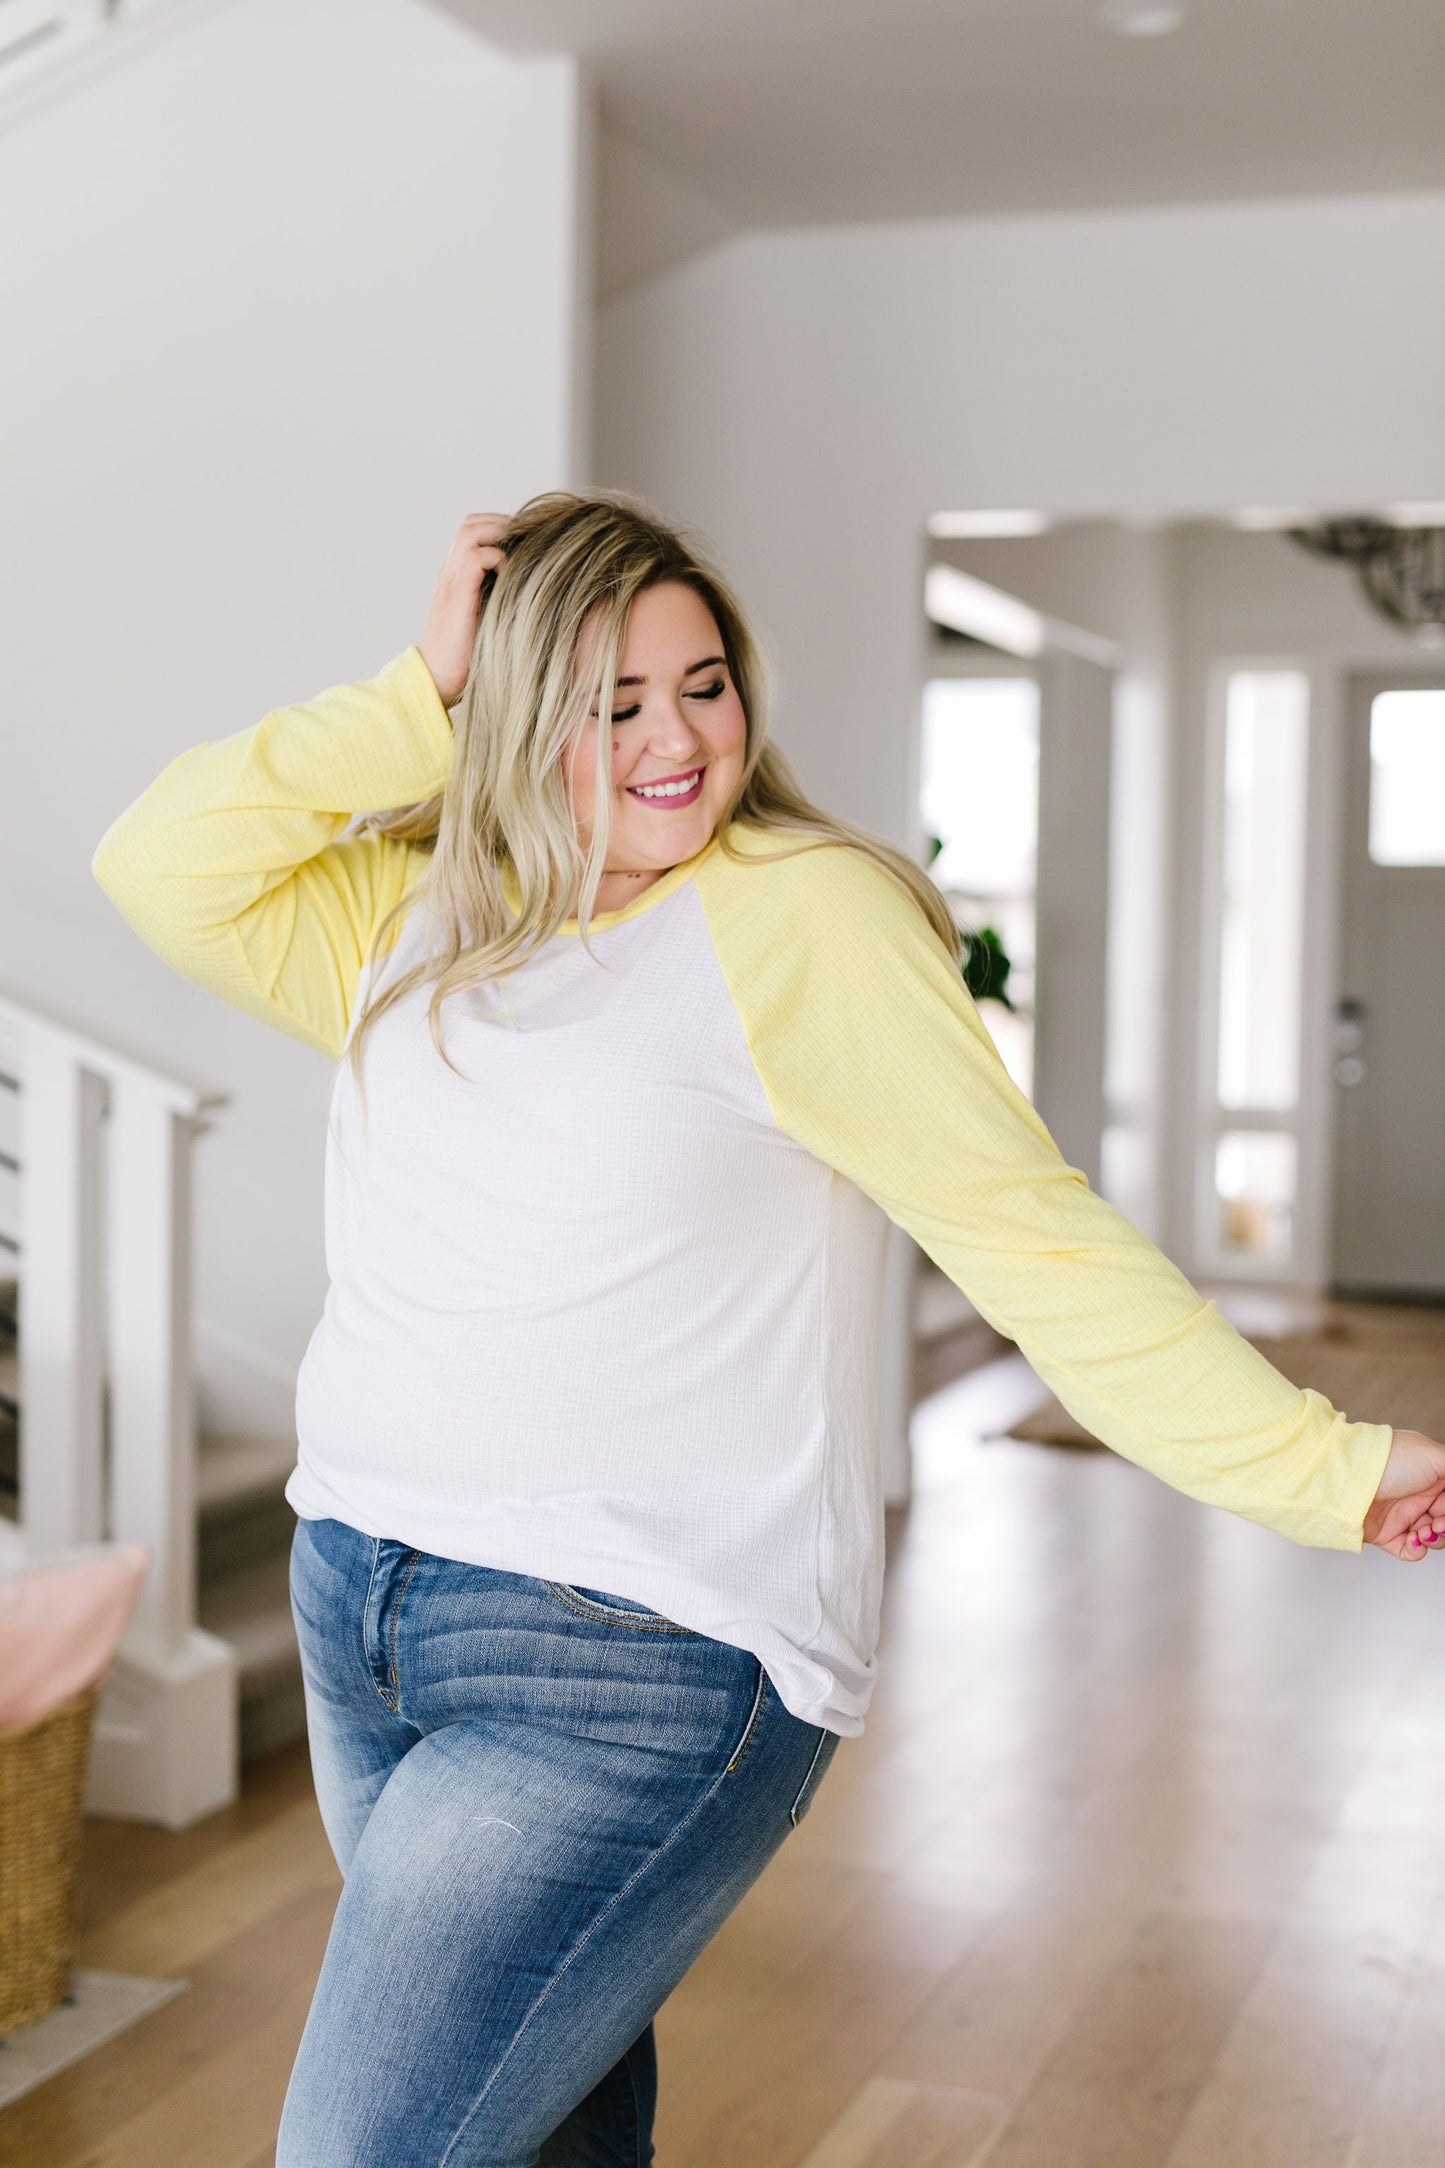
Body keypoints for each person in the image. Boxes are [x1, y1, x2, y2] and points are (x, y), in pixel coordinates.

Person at [92, 493, 1445, 2168]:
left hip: (629, 1656)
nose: (679, 739)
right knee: (531, 2124)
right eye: (613, 701)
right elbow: (156, 857)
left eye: (703, 682)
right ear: (509, 714)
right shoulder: (419, 915)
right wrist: (413, 687)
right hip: (364, 1597)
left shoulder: (800, 915)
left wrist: (1321, 1468)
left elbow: (1032, 1238)